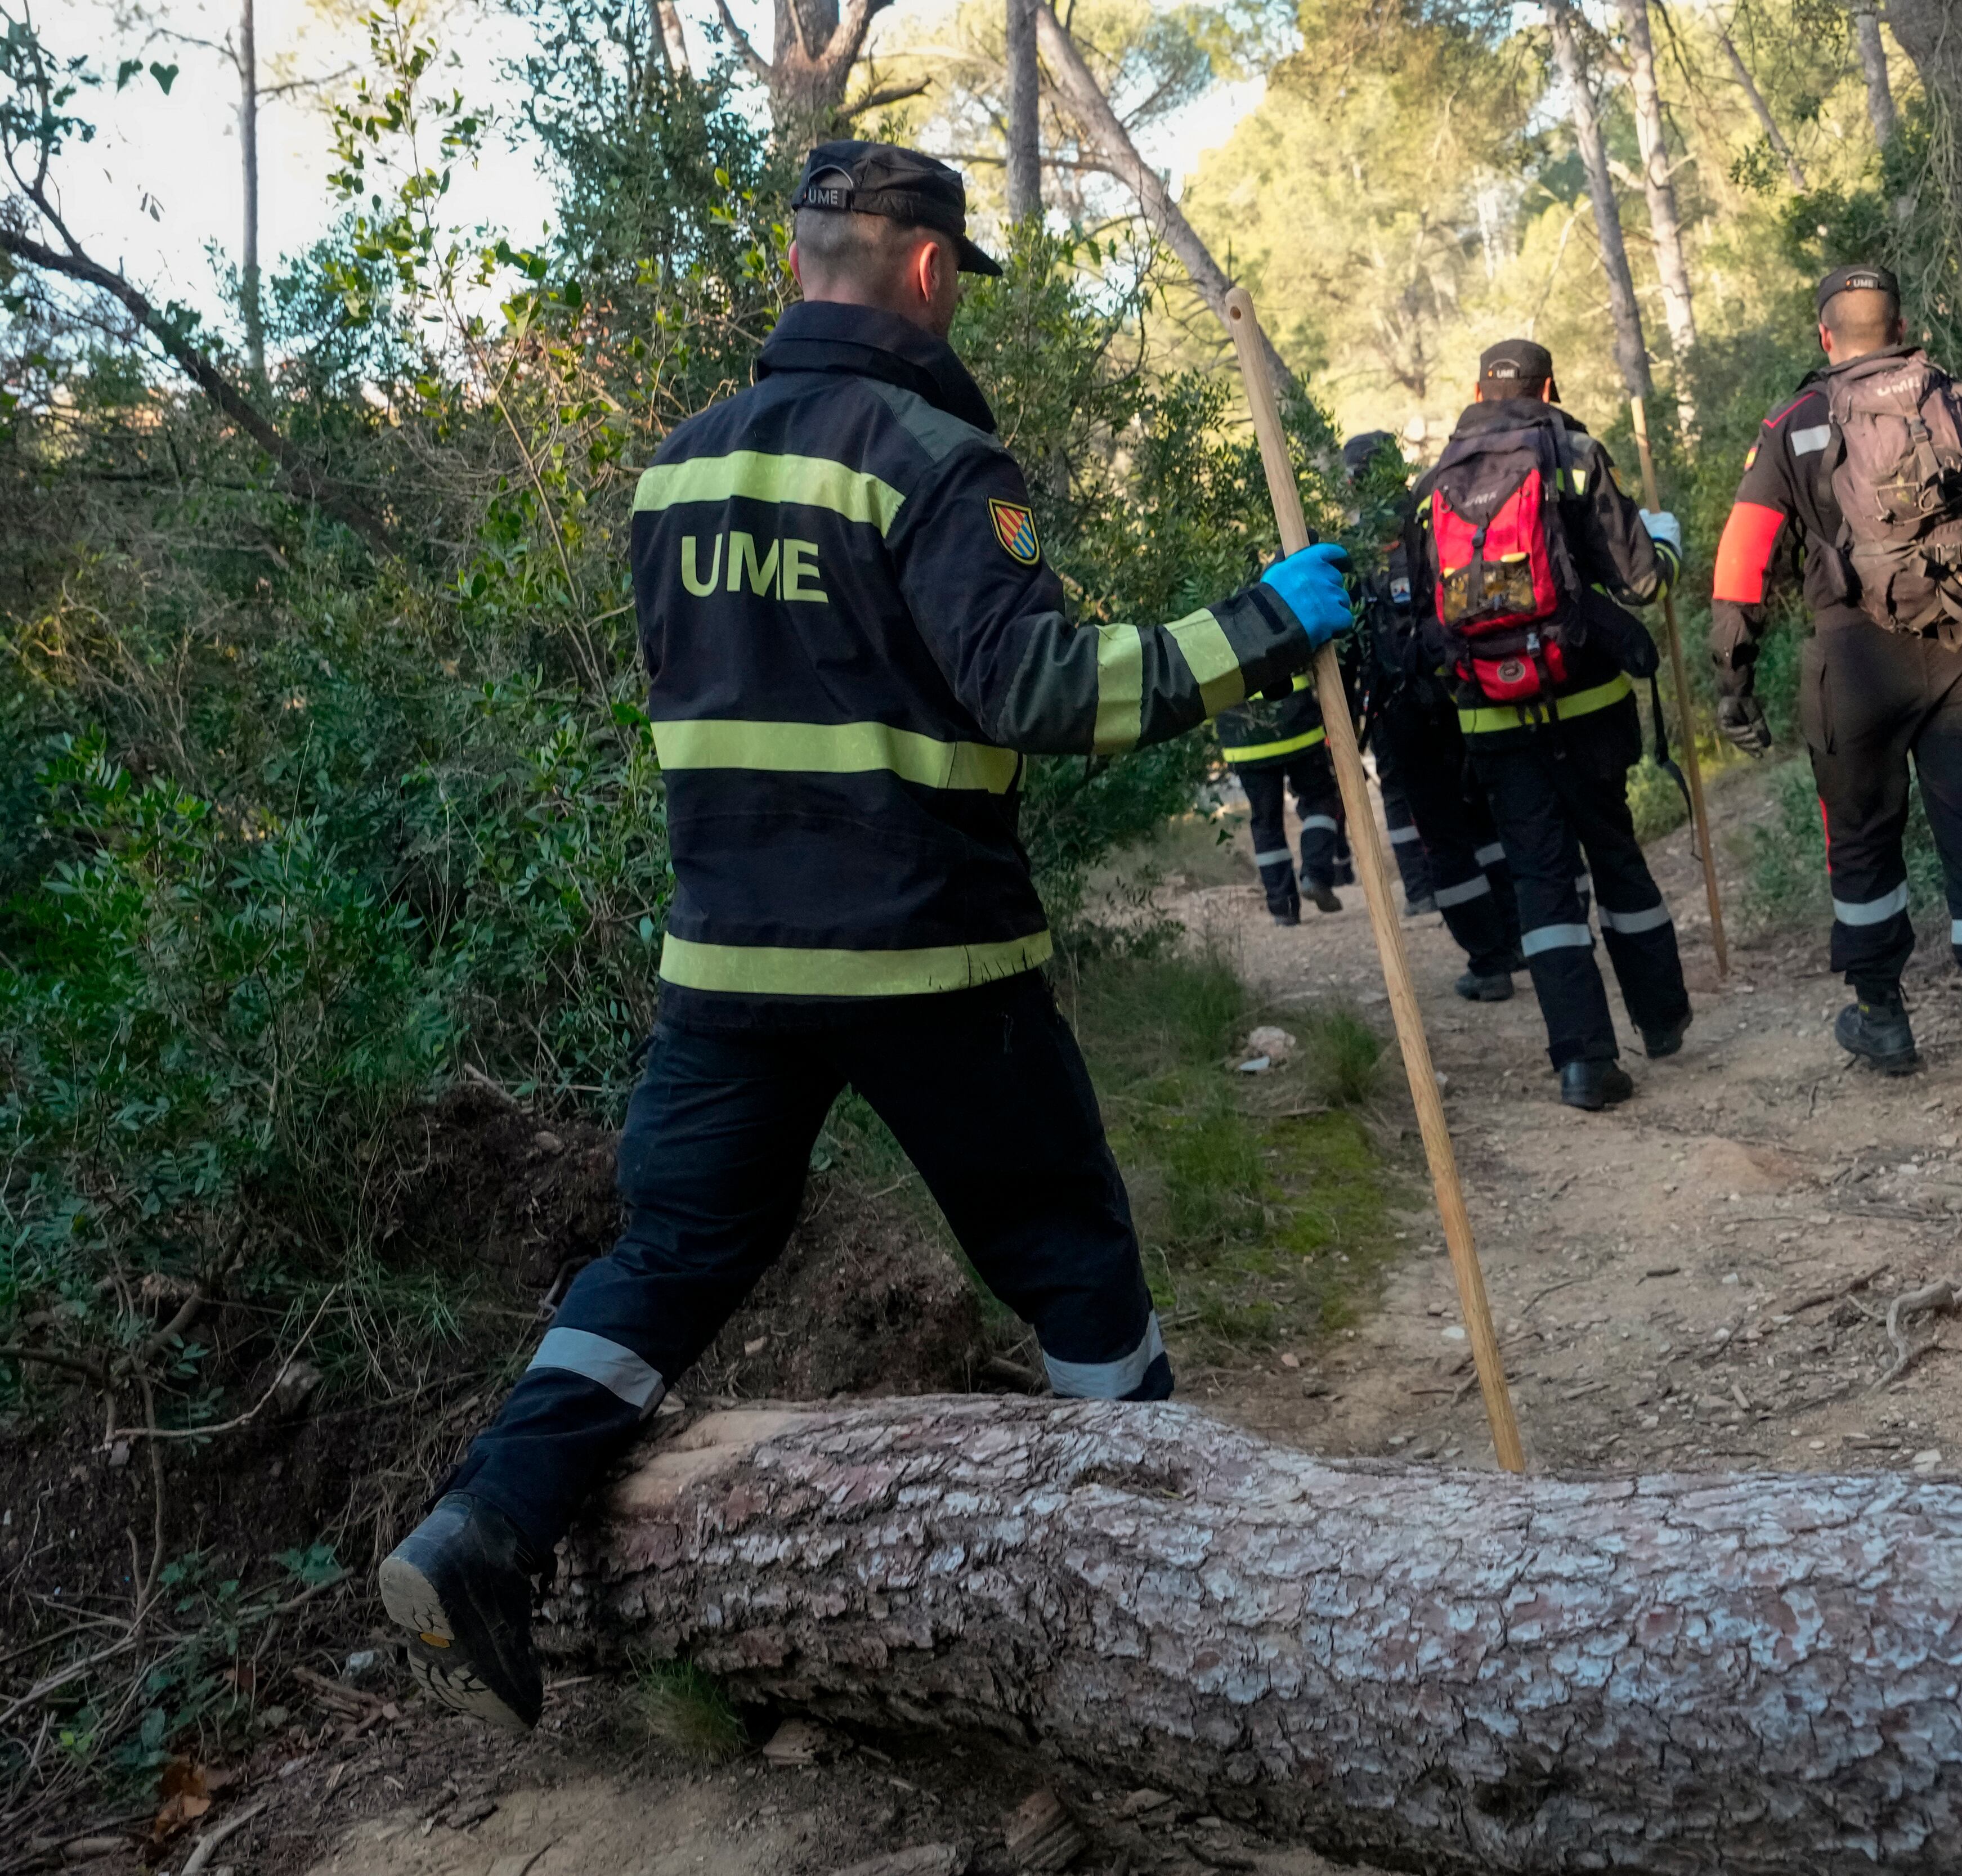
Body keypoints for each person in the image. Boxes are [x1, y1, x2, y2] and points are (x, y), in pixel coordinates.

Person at [376, 142, 1356, 1732]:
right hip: (927, 961)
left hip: (727, 968)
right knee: (1073, 1256)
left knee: (671, 1254)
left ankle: (487, 1522)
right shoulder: (939, 460)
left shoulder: (677, 469)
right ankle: (1167, 1557)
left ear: (801, 264)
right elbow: (1042, 693)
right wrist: (1262, 625)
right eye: (958, 272)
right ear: (922, 267)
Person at [1707, 264, 1962, 1104]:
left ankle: (1882, 1015)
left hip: (1852, 668)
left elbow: (1743, 560)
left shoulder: (1794, 423)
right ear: (1901, 325)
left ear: (1825, 337)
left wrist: (1735, 677)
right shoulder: (1961, 402)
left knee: (1861, 840)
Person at [1392, 342, 1692, 1109]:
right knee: (1616, 855)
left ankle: (1582, 1063)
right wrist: (1664, 538)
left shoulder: (1430, 487)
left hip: (1491, 715)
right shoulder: (1576, 454)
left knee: (1539, 879)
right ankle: (1661, 1022)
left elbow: (1424, 619)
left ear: (1474, 390)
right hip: (1588, 704)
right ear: (1549, 387)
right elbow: (1644, 578)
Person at [1345, 430, 1525, 998]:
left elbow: (1345, 645)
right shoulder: (1441, 520)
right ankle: (1517, 937)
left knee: (1445, 840)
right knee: (1486, 820)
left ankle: (1489, 959)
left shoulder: (1348, 553)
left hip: (1403, 711)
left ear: (1351, 482)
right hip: (1463, 695)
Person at [1211, 670, 1345, 924]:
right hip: (1297, 724)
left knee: (1266, 821)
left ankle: (1283, 908)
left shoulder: (1210, 631)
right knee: (1321, 799)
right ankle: (1315, 876)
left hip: (1242, 735)